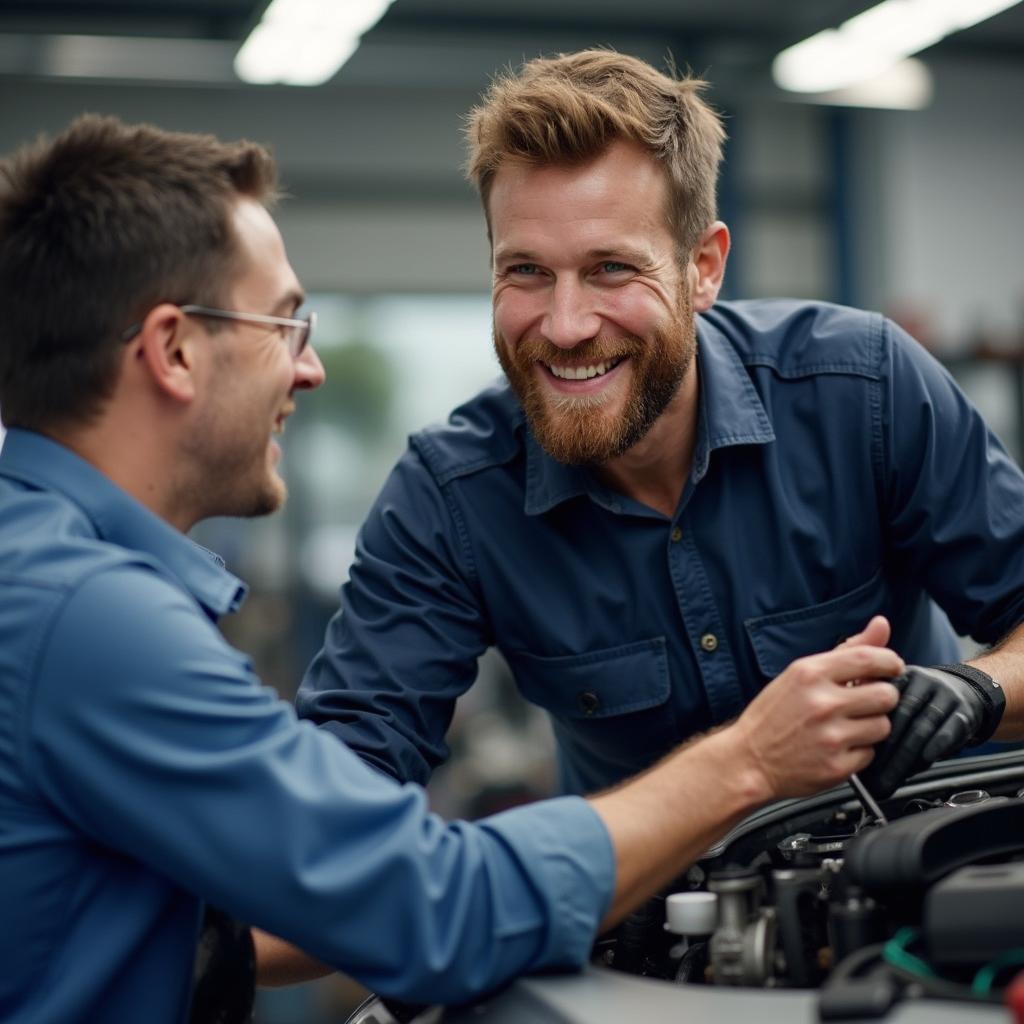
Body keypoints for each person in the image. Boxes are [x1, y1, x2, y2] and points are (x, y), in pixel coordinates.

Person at [0, 114, 903, 1022]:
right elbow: (426, 906)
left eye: (611, 268)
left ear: (703, 266)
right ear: (174, 350)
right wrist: (748, 760)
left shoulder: (36, 577)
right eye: (283, 322)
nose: (309, 368)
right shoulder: (91, 620)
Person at [298, 49, 1024, 802]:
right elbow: (343, 773)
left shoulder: (863, 389)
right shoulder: (452, 497)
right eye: (527, 272)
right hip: (656, 911)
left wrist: (977, 692)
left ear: (703, 267)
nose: (567, 324)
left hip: (915, 870)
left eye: (612, 268)